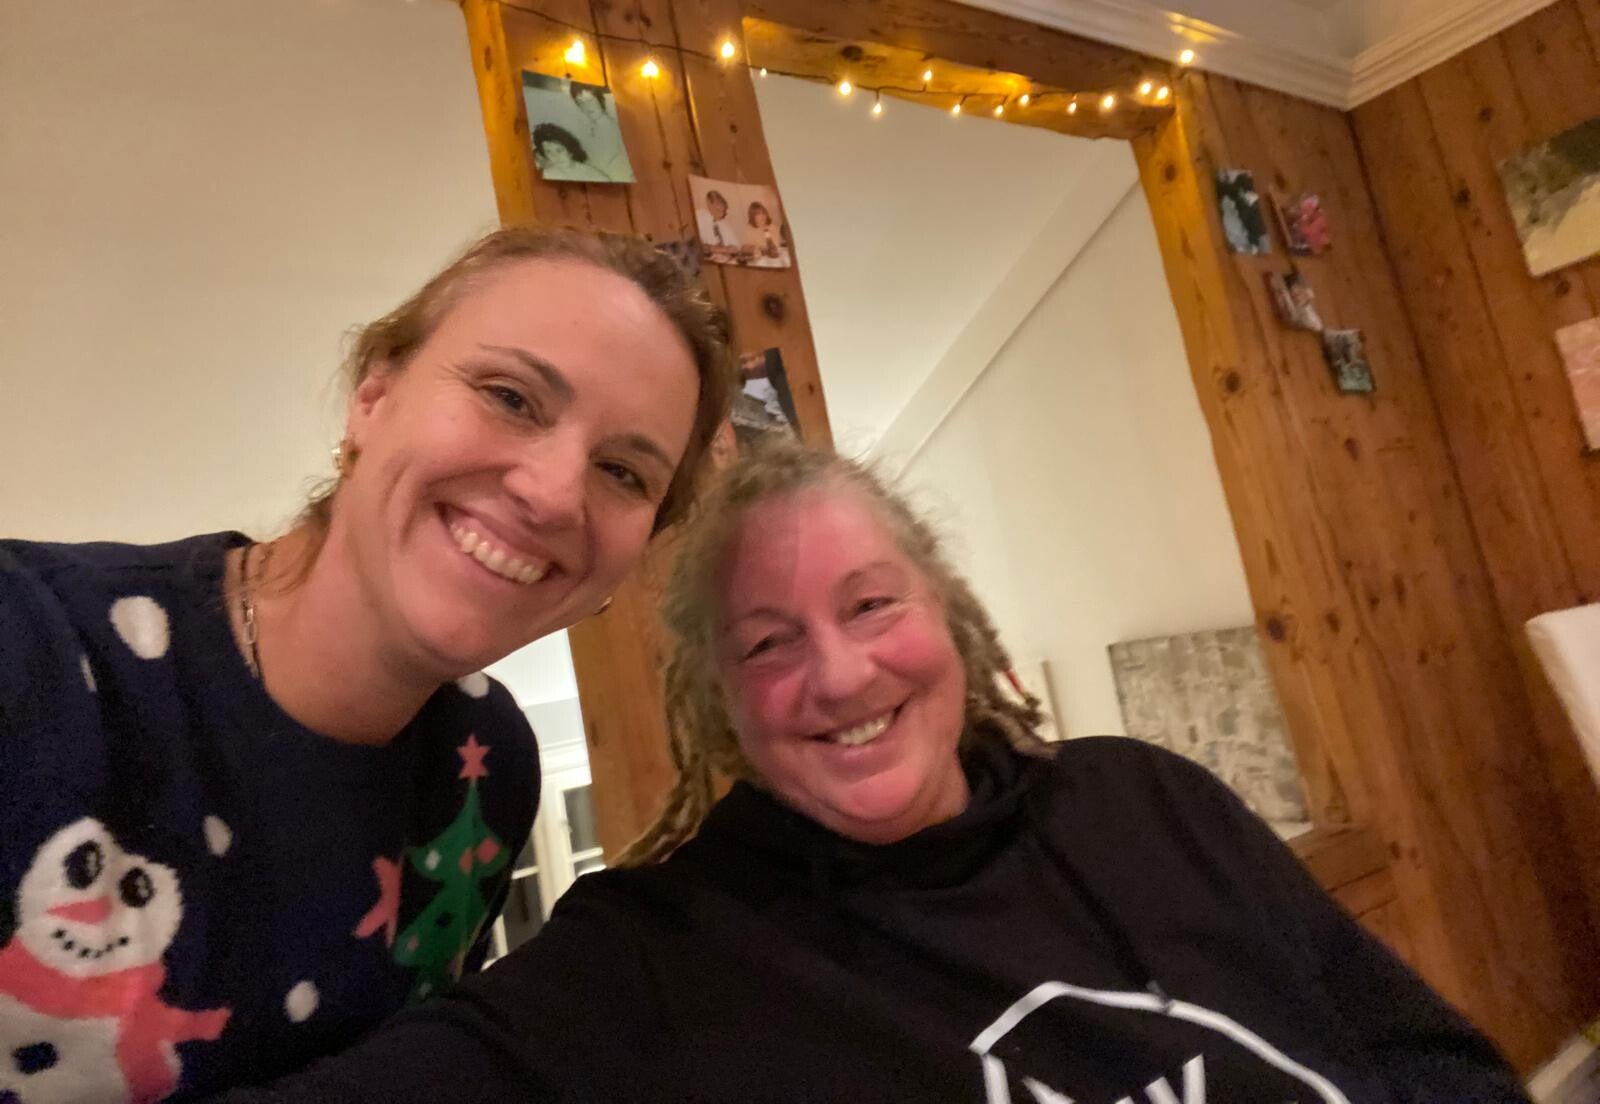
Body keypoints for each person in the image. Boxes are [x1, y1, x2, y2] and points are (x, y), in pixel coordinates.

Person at [207, 441, 1530, 1103]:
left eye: (871, 605)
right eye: (768, 644)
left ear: (945, 610)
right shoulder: (657, 959)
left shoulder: (1147, 796)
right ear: (721, 705)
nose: (839, 676)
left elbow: (1420, 1058)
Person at [0, 227, 731, 1101]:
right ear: (373, 398)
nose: (553, 493)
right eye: (511, 397)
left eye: (624, 472)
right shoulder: (30, 646)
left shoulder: (488, 765)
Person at [567, 82, 633, 183]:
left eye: (590, 100)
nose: (587, 107)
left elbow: (599, 164)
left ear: (599, 99)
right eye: (581, 102)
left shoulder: (608, 126)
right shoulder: (593, 126)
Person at [529, 122, 610, 183]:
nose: (555, 156)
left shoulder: (591, 174)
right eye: (549, 152)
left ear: (570, 150)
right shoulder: (547, 174)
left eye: (559, 150)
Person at [695, 189, 743, 262]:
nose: (722, 209)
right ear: (709, 204)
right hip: (708, 261)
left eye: (722, 205)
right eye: (717, 204)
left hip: (727, 261)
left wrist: (732, 249)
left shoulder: (725, 225)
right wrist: (721, 249)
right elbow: (696, 245)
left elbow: (737, 248)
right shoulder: (699, 216)